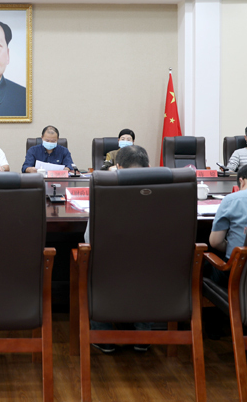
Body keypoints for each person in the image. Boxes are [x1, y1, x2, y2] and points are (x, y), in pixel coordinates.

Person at [90, 144, 151, 353]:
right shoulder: (170, 191)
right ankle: (144, 334)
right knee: (148, 266)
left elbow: (89, 238)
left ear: (118, 167)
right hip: (155, 270)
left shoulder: (104, 191)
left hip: (109, 270)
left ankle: (104, 336)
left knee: (91, 261)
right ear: (148, 167)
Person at [208, 163, 247, 285]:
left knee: (205, 264)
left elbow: (215, 242)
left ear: (241, 181)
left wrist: (233, 247)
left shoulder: (232, 199)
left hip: (237, 272)